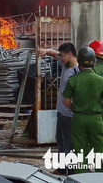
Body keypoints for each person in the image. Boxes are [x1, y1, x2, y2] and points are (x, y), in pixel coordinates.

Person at [63, 47, 103, 173]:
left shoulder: (73, 80)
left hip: (79, 118)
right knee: (99, 148)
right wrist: (97, 108)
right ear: (94, 63)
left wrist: (77, 108)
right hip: (96, 118)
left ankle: (81, 177)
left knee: (79, 150)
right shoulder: (101, 81)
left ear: (78, 61)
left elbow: (66, 102)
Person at [39, 43, 78, 175]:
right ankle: (61, 169)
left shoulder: (77, 72)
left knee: (69, 146)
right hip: (61, 114)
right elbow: (54, 54)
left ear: (70, 54)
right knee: (61, 143)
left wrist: (74, 110)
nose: (60, 57)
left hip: (69, 116)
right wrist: (46, 51)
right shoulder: (65, 65)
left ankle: (72, 173)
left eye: (62, 55)